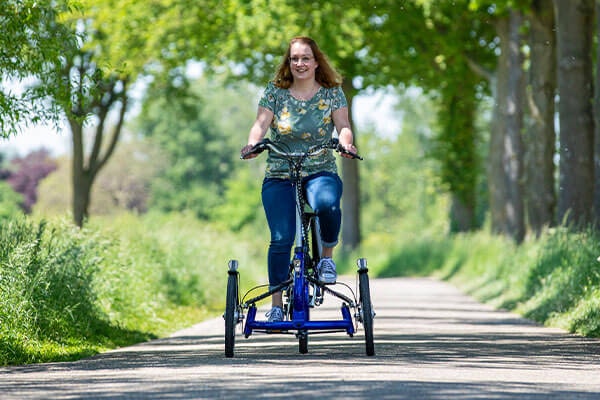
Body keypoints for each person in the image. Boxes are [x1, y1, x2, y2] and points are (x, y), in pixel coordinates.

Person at [241, 36, 358, 323]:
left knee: (328, 204)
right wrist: (253, 144)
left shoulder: (332, 93)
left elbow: (343, 126)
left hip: (319, 169)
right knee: (281, 239)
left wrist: (346, 143)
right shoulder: (275, 92)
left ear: (316, 62)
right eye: (294, 58)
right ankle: (277, 304)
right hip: (280, 172)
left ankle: (326, 259)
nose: (300, 63)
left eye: (306, 58)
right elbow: (260, 124)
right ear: (288, 63)